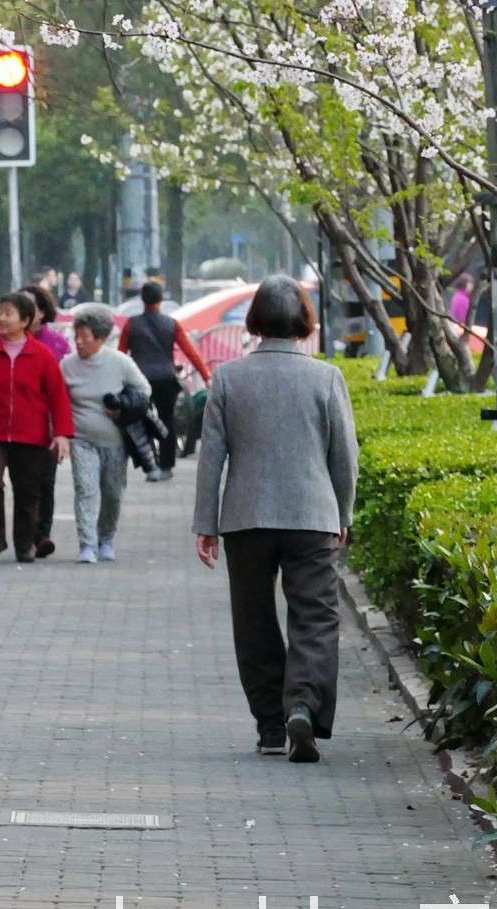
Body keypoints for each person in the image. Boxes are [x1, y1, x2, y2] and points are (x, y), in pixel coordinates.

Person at [193, 274, 358, 763]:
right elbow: (344, 455)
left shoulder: (228, 378)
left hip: (246, 518)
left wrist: (206, 523)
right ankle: (303, 706)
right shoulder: (326, 377)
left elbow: (211, 457)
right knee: (315, 616)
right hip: (312, 516)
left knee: (254, 618)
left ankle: (269, 725)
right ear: (305, 323)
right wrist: (342, 510)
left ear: (254, 322)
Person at [0, 292, 74, 563]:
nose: (2, 318)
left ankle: (24, 543)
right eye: (0, 311)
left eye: (9, 313)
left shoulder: (42, 356)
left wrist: (62, 433)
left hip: (31, 435)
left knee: (28, 491)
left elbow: (58, 397)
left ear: (25, 320)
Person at [60, 307, 151, 563]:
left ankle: (106, 538)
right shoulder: (67, 366)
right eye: (76, 336)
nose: (78, 342)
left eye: (84, 337)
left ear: (100, 338)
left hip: (115, 441)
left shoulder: (120, 362)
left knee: (112, 493)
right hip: (82, 439)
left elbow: (144, 390)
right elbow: (57, 400)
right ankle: (87, 544)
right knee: (85, 489)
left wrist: (124, 406)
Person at [119, 281, 210, 478]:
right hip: (166, 379)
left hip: (139, 380)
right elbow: (191, 352)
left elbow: (120, 355)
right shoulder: (172, 324)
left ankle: (150, 464)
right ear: (161, 300)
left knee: (142, 420)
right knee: (166, 419)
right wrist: (206, 376)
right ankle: (166, 465)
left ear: (142, 300)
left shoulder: (131, 325)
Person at [23, 283, 69, 558]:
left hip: (49, 426)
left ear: (42, 311)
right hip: (17, 428)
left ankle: (42, 536)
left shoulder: (57, 345)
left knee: (45, 483)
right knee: (24, 484)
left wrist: (63, 430)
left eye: (30, 306)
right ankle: (24, 537)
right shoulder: (6, 342)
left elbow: (63, 391)